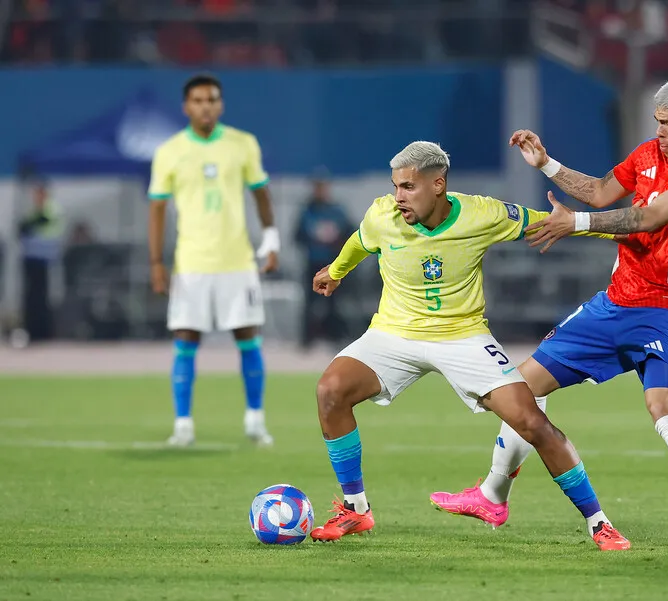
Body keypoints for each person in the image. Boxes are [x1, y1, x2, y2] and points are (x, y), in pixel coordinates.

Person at [431, 76, 668, 553]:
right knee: (518, 389)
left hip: (664, 311)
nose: (660, 132)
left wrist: (572, 224)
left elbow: (649, 217)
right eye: (656, 122)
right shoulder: (646, 155)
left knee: (665, 410)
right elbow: (598, 193)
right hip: (613, 303)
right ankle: (492, 495)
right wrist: (547, 164)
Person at [307, 141, 631, 551]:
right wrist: (336, 272)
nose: (398, 197)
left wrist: (608, 227)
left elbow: (550, 222)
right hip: (394, 332)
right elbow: (361, 240)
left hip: (463, 336)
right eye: (395, 186)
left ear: (438, 184)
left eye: (408, 187)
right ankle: (356, 509)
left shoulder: (482, 214)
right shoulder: (382, 215)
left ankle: (599, 523)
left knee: (532, 423)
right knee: (330, 390)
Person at [148, 73, 280, 447]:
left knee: (248, 338)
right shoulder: (170, 151)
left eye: (212, 100)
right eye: (199, 100)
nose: (206, 106)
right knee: (185, 340)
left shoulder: (242, 144)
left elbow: (261, 194)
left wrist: (271, 240)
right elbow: (156, 209)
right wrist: (156, 262)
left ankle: (255, 421)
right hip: (191, 264)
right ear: (186, 106)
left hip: (237, 261)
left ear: (220, 105)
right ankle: (183, 425)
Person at [292, 172, 354, 348]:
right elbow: (297, 236)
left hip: (333, 265)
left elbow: (350, 234)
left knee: (334, 301)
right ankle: (307, 340)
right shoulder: (307, 211)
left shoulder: (336, 211)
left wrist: (335, 242)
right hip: (313, 262)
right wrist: (314, 240)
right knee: (310, 302)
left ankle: (334, 336)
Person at [18, 180, 63, 342]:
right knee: (32, 298)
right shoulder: (35, 210)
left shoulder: (50, 208)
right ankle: (33, 330)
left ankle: (43, 332)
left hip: (44, 259)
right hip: (32, 258)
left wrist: (28, 225)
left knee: (42, 298)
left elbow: (41, 222)